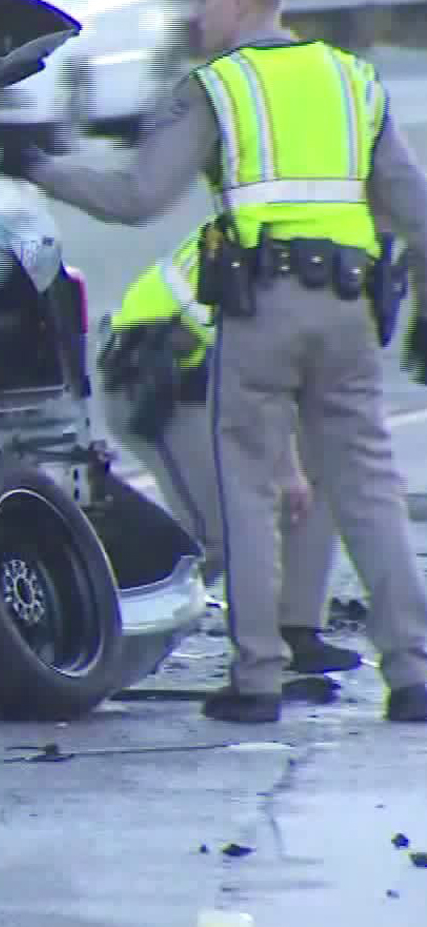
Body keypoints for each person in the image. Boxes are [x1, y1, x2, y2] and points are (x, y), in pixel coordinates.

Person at [0, 0, 427, 724]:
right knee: (370, 489)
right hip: (350, 311)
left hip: (263, 309)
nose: (194, 13)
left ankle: (257, 681)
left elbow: (138, 198)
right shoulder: (353, 80)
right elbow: (416, 212)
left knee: (249, 489)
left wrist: (41, 169)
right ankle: (413, 676)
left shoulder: (220, 86)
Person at [94, 244, 360, 674]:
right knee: (216, 536)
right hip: (157, 386)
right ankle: (103, 634)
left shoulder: (316, 235)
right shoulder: (277, 253)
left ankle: (297, 633)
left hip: (212, 384)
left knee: (317, 475)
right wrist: (286, 470)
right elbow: (266, 381)